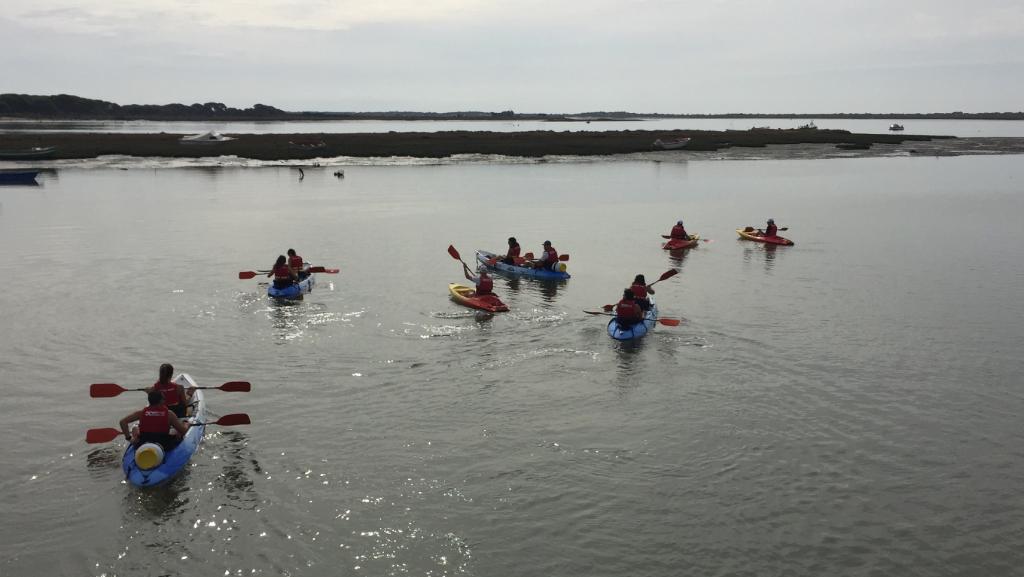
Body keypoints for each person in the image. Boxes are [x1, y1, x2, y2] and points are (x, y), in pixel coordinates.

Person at [119, 390, 190, 449]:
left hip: (143, 443)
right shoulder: (169, 414)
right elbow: (183, 431)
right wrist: (186, 424)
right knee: (178, 432)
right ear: (161, 401)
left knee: (135, 428)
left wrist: (129, 438)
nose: (165, 400)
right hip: (164, 444)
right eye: (164, 399)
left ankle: (134, 441)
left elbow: (122, 422)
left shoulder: (140, 413)